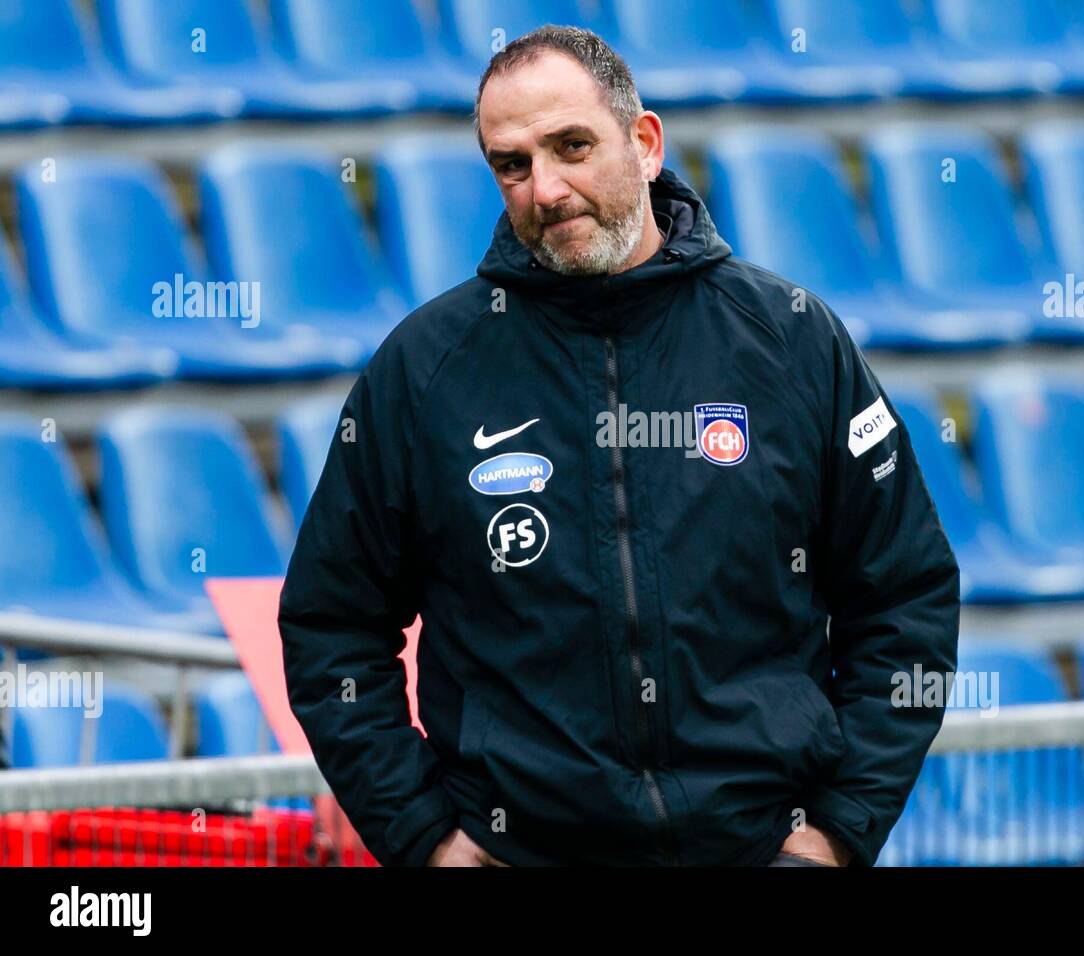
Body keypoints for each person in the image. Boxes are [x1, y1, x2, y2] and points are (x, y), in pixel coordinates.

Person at [278, 25, 960, 868]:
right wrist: (424, 836)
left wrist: (834, 834)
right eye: (512, 164)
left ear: (643, 143)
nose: (547, 189)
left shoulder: (792, 340)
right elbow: (329, 624)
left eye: (572, 146)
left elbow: (905, 596)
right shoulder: (425, 370)